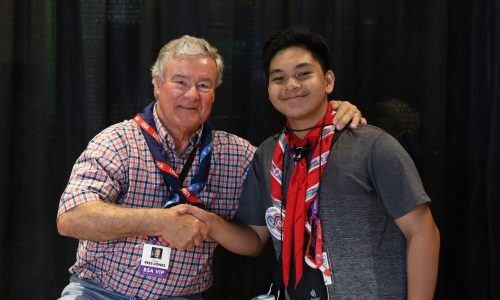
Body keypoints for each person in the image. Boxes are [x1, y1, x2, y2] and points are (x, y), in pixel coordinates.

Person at [56, 34, 365, 299]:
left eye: (204, 85)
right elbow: (71, 218)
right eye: (181, 82)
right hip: (99, 291)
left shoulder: (239, 154)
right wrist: (159, 222)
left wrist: (331, 113)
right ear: (157, 84)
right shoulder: (118, 141)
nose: (192, 95)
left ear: (215, 93)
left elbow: (296, 173)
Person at [180, 28, 440, 299]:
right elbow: (255, 240)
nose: (291, 84)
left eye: (303, 74)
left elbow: (423, 232)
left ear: (328, 81)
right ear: (268, 89)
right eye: (278, 78)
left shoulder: (373, 146)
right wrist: (210, 223)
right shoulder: (269, 153)